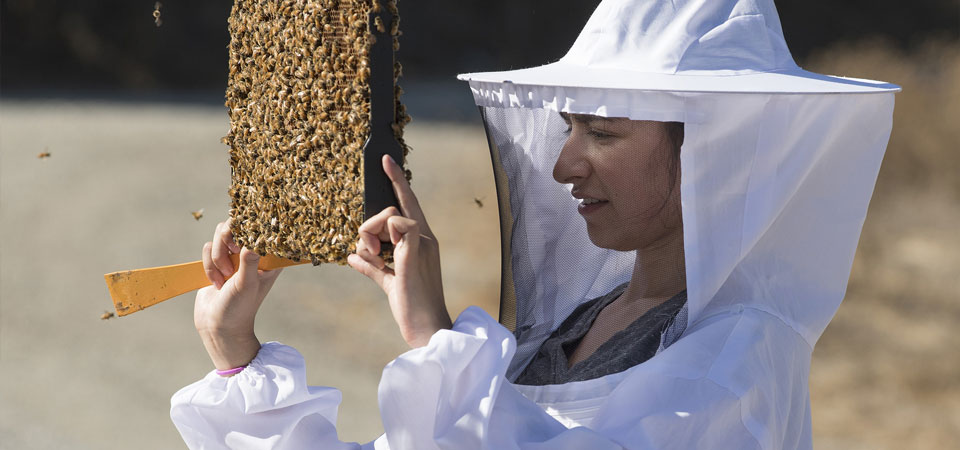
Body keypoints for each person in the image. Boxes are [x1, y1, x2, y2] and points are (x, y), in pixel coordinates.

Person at [172, 0, 899, 448]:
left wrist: (439, 340)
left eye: (604, 134)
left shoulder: (740, 357)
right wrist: (237, 356)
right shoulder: (571, 328)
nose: (562, 167)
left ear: (714, 152)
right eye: (567, 129)